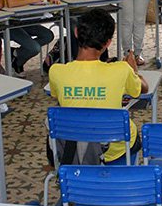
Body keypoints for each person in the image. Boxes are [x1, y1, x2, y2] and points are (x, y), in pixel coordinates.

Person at [49, 9, 149, 165]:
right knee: (132, 132)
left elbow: (57, 96)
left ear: (76, 32)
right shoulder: (121, 70)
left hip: (77, 148)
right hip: (116, 148)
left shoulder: (56, 72)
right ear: (108, 42)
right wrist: (134, 71)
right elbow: (144, 89)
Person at [0, 0, 59, 76]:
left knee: (48, 35)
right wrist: (33, 0)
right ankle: (18, 62)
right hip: (9, 23)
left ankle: (16, 54)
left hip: (23, 20)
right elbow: (11, 3)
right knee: (34, 48)